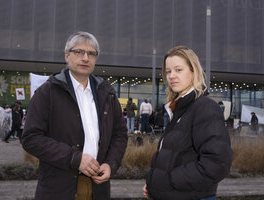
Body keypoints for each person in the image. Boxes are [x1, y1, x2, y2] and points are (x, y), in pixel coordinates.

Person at [21, 31, 128, 200]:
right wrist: (75, 158)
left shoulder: (107, 93)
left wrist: (111, 164)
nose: (85, 58)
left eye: (91, 53)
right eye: (79, 52)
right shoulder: (47, 92)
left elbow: (120, 135)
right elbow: (31, 137)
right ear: (66, 56)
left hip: (97, 187)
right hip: (59, 188)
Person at [143, 46, 232, 200]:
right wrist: (154, 185)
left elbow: (217, 164)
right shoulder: (179, 108)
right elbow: (173, 156)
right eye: (168, 71)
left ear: (193, 71)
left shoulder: (205, 108)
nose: (171, 76)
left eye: (178, 70)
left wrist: (167, 182)